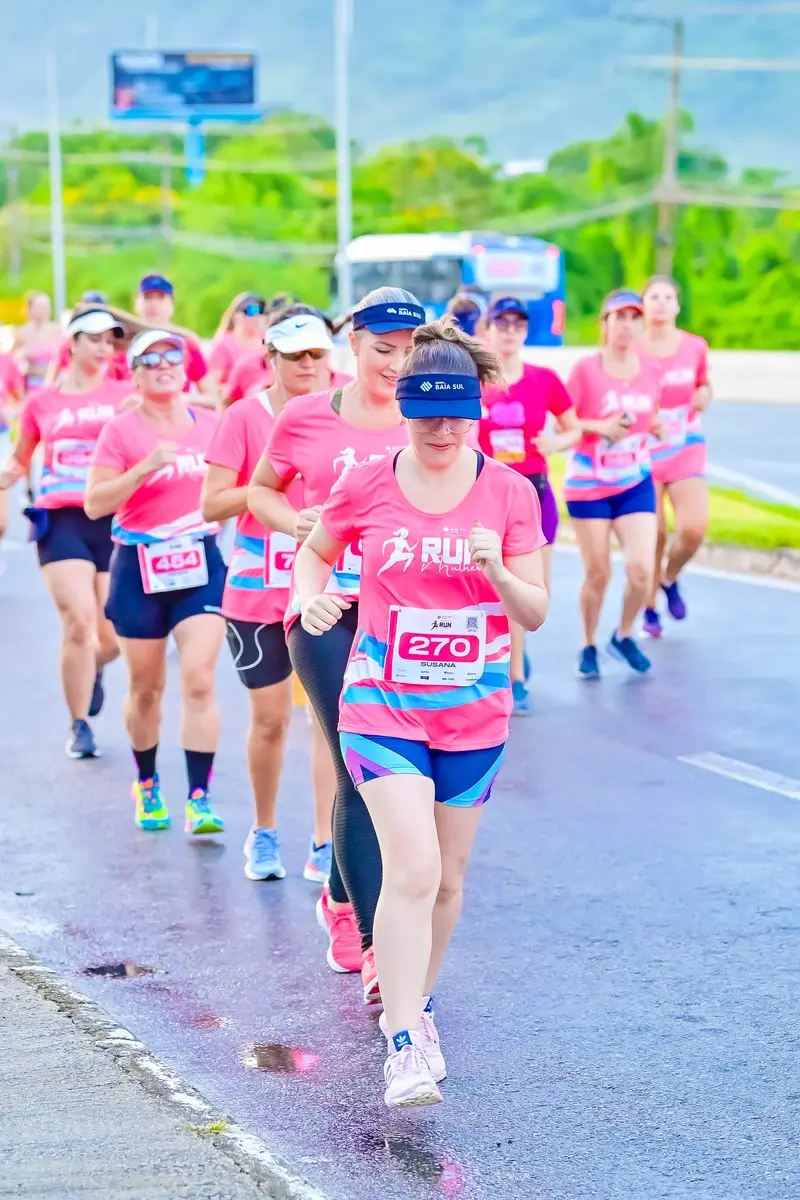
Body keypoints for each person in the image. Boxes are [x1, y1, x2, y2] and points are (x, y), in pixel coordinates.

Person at [293, 315, 548, 1107]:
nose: (441, 428)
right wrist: (311, 601)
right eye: (424, 411)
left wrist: (498, 579)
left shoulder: (508, 491)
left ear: (476, 409)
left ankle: (416, 1003)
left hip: (473, 714)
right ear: (402, 406)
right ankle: (403, 1043)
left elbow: (535, 611)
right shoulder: (367, 481)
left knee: (448, 883)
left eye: (455, 412)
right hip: (382, 705)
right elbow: (315, 551)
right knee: (414, 866)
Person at [248, 287, 423, 998]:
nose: (397, 364)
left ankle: (342, 898)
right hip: (322, 608)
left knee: (405, 774)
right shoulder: (304, 417)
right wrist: (298, 527)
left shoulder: (428, 419)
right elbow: (261, 490)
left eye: (409, 350)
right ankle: (376, 943)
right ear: (354, 345)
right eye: (384, 350)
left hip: (402, 612)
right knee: (358, 759)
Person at [202, 309, 338, 881]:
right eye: (295, 357)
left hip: (329, 586)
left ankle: (325, 840)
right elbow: (212, 504)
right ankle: (263, 831)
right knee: (270, 721)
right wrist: (274, 500)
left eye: (316, 356)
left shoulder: (345, 410)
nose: (308, 366)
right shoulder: (244, 417)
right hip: (257, 587)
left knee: (328, 722)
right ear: (271, 359)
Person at [85, 330, 226, 835]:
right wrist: (144, 467)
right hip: (139, 567)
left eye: (173, 356)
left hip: (199, 565)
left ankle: (199, 797)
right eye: (151, 358)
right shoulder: (120, 432)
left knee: (201, 679)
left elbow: (236, 486)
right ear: (135, 373)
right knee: (146, 689)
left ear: (185, 367)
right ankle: (146, 782)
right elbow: (96, 503)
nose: (164, 364)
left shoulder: (212, 425)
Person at [0, 310, 131, 756]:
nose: (102, 348)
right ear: (71, 343)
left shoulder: (126, 394)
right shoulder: (42, 402)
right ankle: (79, 725)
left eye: (109, 341)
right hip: (61, 521)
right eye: (92, 339)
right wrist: (6, 476)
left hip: (114, 519)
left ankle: (91, 667)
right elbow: (21, 458)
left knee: (111, 636)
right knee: (78, 620)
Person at [480, 295, 580, 711]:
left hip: (535, 490)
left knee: (534, 589)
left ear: (525, 331)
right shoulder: (475, 378)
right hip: (488, 491)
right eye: (501, 324)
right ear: (488, 328)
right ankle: (514, 674)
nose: (509, 332)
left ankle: (515, 655)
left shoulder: (544, 379)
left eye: (517, 325)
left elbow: (572, 428)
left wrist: (556, 441)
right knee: (496, 584)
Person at [564, 290, 662, 680]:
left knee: (641, 569)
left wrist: (654, 427)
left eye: (632, 317)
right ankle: (588, 643)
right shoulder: (586, 369)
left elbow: (648, 415)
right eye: (617, 317)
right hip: (589, 484)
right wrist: (598, 427)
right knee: (599, 573)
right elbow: (564, 423)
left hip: (635, 478)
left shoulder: (650, 371)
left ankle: (623, 635)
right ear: (604, 324)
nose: (625, 324)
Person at [639, 276, 712, 637]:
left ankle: (669, 578)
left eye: (669, 297)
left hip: (685, 445)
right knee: (653, 534)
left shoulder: (695, 346)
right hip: (644, 452)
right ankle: (650, 607)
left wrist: (704, 395)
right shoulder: (633, 349)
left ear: (677, 306)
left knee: (693, 528)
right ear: (644, 305)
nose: (662, 303)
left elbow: (703, 383)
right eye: (655, 297)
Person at [134, 274, 212, 400]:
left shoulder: (187, 344)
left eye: (160, 298)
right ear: (137, 303)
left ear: (171, 305)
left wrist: (174, 399)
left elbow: (212, 398)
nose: (153, 304)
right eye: (148, 297)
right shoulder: (124, 345)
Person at [207, 293, 269, 396]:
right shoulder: (225, 344)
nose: (257, 316)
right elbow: (211, 383)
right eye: (252, 311)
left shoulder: (268, 342)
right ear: (238, 315)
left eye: (262, 311)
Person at [0, 347, 25, 576]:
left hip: (0, 436)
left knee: (0, 522)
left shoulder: (6, 362)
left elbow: (21, 400)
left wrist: (11, 412)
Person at [12, 291, 62, 392]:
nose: (43, 310)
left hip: (55, 386)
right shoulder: (22, 333)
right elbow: (12, 361)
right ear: (30, 309)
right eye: (39, 307)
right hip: (31, 387)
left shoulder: (58, 331)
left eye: (46, 306)